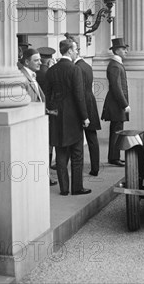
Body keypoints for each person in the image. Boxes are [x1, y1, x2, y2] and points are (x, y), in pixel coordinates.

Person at [44, 38, 91, 196]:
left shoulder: (51, 70)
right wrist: (85, 116)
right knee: (77, 154)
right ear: (69, 50)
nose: (77, 51)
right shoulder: (74, 69)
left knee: (61, 154)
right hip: (73, 118)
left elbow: (48, 96)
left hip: (57, 118)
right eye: (76, 49)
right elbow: (79, 96)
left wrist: (52, 110)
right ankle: (77, 188)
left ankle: (64, 189)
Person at [19, 48, 57, 186]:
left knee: (41, 151)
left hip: (41, 120)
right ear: (27, 61)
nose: (40, 63)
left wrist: (48, 110)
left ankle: (42, 178)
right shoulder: (22, 77)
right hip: (31, 124)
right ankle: (38, 180)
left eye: (40, 60)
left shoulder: (32, 75)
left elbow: (40, 98)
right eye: (36, 60)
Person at [101, 37, 130, 167]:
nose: (126, 52)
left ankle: (115, 156)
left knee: (117, 130)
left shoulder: (116, 64)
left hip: (116, 103)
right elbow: (116, 87)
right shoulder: (114, 65)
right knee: (116, 131)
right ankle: (114, 158)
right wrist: (125, 104)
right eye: (124, 49)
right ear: (117, 51)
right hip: (116, 104)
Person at [75, 49, 101, 177]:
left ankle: (79, 168)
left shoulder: (77, 67)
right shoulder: (86, 65)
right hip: (90, 102)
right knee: (92, 138)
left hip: (82, 104)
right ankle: (95, 167)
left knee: (78, 138)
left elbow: (78, 91)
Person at [37, 46, 57, 170]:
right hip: (49, 110)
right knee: (49, 142)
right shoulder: (48, 73)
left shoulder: (37, 72)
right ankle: (47, 168)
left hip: (40, 110)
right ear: (50, 59)